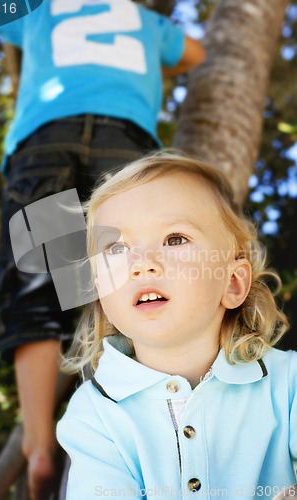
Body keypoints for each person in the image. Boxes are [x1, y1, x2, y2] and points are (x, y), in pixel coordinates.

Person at [0, 1, 205, 498]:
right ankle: (114, 427)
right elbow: (196, 52)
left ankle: (37, 442)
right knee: (120, 284)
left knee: (35, 282)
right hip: (124, 150)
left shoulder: (39, 11)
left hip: (45, 145)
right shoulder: (146, 21)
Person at [56, 152, 297, 499]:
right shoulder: (95, 412)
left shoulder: (286, 385)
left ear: (231, 284)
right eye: (118, 248)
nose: (142, 264)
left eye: (174, 239)